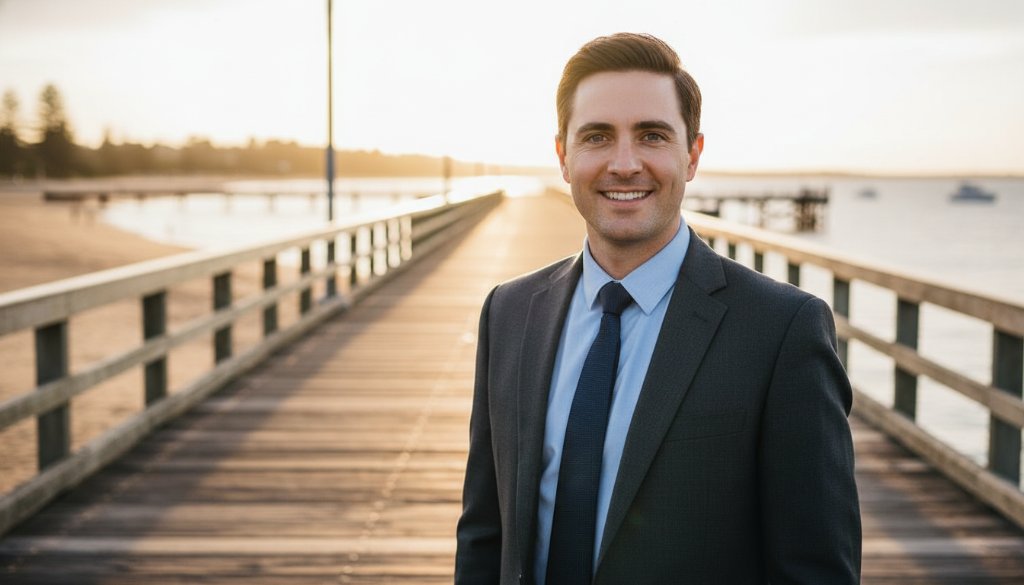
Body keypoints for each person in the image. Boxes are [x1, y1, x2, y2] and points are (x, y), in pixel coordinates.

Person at [455, 32, 861, 584]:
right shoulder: (509, 312)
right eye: (597, 137)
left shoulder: (782, 331)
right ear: (563, 157)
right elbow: (485, 533)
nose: (624, 164)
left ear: (692, 155)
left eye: (652, 135)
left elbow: (816, 569)